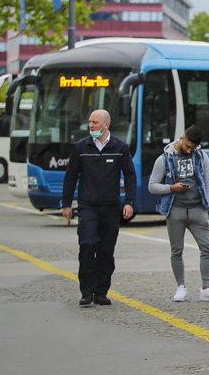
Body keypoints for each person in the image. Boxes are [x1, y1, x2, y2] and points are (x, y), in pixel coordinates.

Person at [61, 109, 135, 307]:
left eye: (95, 122)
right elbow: (71, 176)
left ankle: (101, 292)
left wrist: (129, 201)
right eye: (90, 122)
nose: (90, 125)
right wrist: (66, 204)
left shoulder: (120, 147)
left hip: (110, 207)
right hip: (88, 206)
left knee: (105, 250)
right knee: (87, 243)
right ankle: (86, 292)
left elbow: (129, 175)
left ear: (106, 125)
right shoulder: (81, 147)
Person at [148, 125, 209, 302]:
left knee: (207, 247)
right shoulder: (164, 159)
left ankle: (206, 288)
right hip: (175, 209)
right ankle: (181, 287)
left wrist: (206, 205)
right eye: (188, 145)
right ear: (182, 138)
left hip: (198, 209)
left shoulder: (201, 156)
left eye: (194, 147)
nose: (190, 150)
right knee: (176, 251)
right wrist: (171, 188)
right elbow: (152, 186)